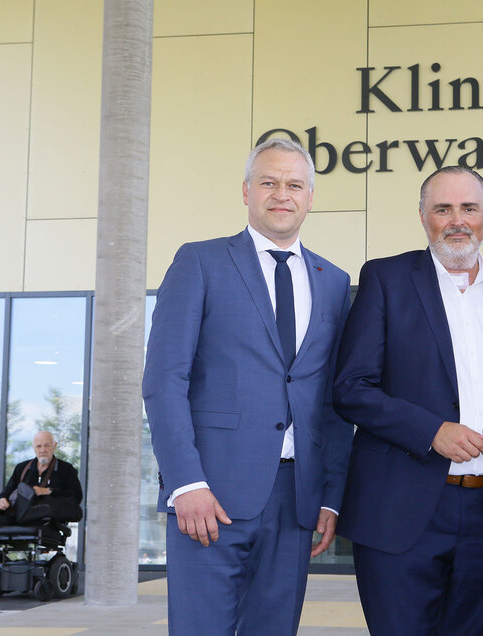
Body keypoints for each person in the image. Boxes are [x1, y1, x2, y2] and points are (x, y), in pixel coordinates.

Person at [333, 166, 483, 635]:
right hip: (400, 513)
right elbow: (351, 388)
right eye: (443, 208)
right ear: (423, 216)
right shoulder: (385, 279)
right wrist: (430, 432)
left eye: (469, 208)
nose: (456, 220)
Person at [142, 138, 353, 635]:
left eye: (295, 184)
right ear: (245, 191)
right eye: (269, 182)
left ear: (310, 197)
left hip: (296, 500)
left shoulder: (334, 281)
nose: (282, 194)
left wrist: (330, 496)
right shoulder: (200, 262)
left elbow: (335, 401)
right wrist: (185, 483)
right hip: (209, 496)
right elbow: (164, 379)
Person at [0, 430, 82, 526]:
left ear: (55, 446)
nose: (43, 450)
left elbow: (76, 496)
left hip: (49, 520)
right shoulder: (22, 468)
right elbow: (6, 492)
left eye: (47, 445)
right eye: (39, 446)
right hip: (22, 516)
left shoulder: (66, 469)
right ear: (34, 447)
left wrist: (48, 491)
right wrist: (1, 500)